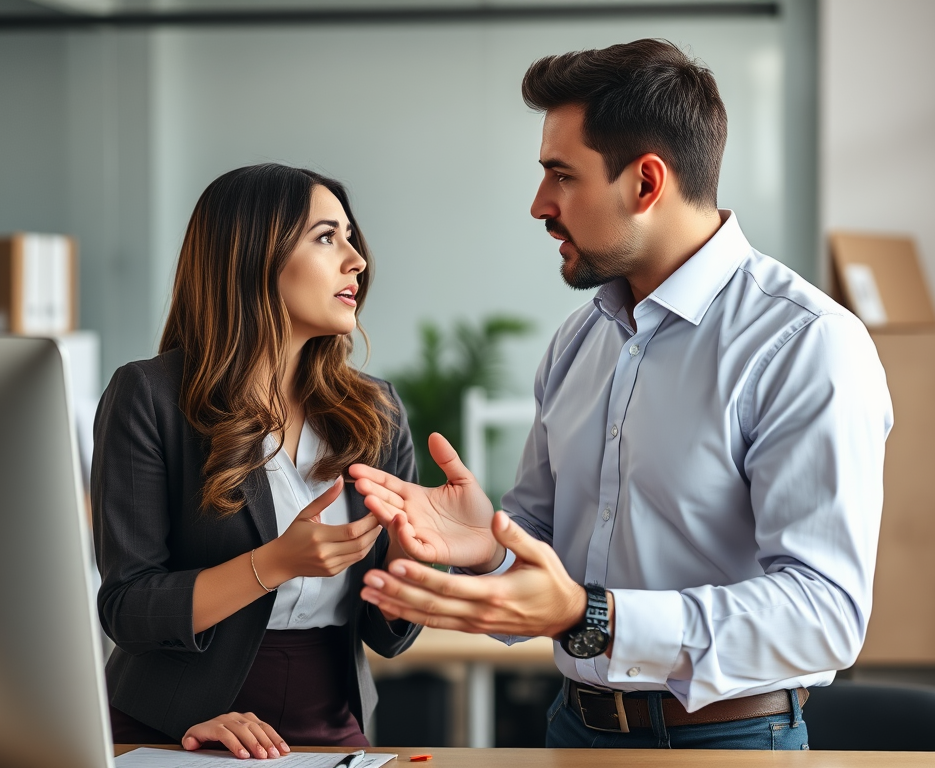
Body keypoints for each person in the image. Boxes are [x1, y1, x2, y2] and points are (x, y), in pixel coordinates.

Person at [349, 39, 893, 751]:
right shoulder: (579, 341)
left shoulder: (805, 343)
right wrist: (490, 547)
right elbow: (546, 569)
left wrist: (594, 617)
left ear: (645, 183)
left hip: (726, 742)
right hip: (571, 727)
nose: (540, 205)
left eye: (561, 175)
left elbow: (824, 616)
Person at [93, 163, 420, 759]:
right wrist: (274, 563)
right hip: (176, 721)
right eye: (327, 237)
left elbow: (388, 634)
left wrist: (415, 548)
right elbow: (127, 607)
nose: (357, 260)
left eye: (351, 238)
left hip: (331, 716)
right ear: (252, 256)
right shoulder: (149, 396)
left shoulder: (376, 410)